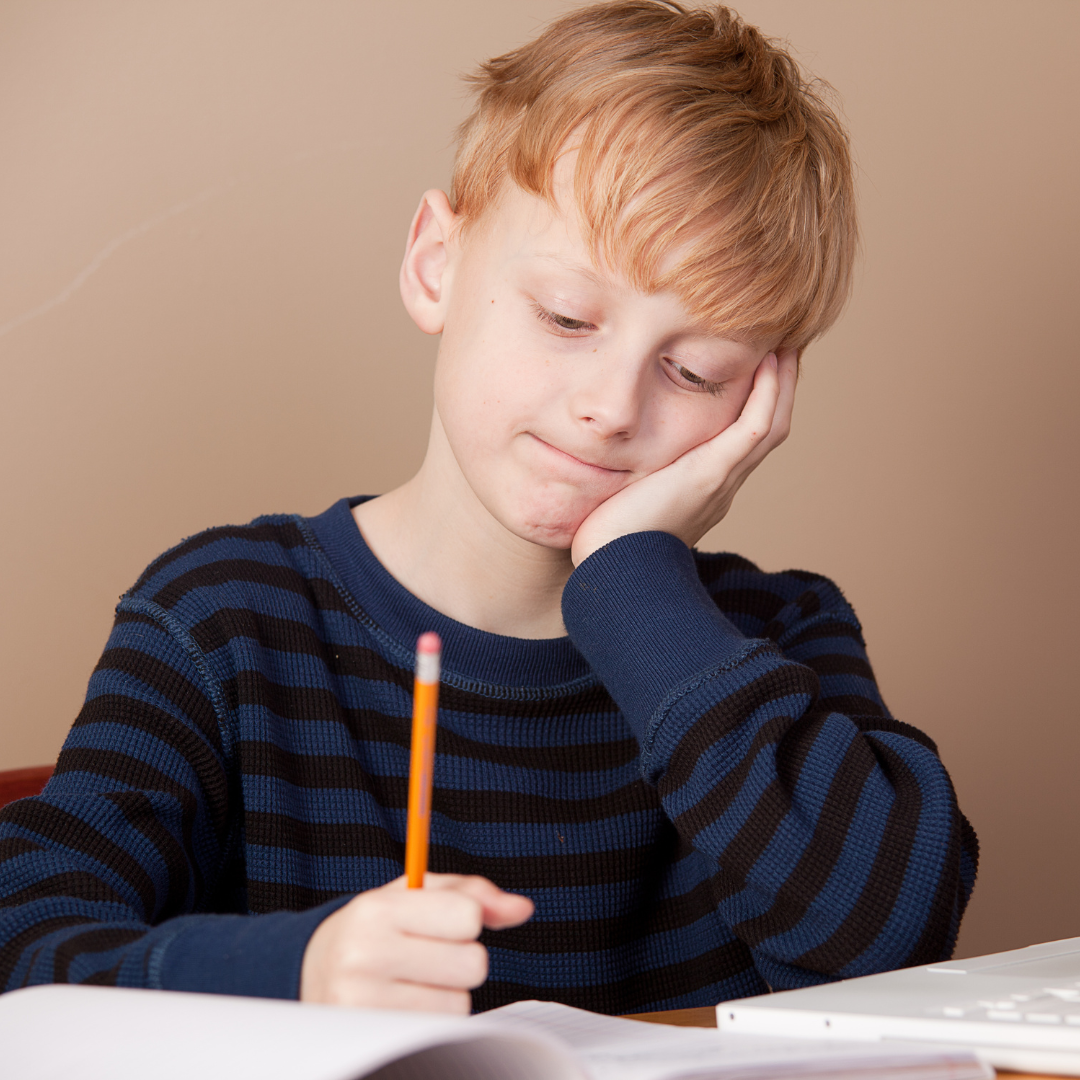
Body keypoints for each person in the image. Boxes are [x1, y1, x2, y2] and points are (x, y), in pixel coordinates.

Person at [0, 0, 977, 1016]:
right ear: (436, 263)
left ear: (759, 404)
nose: (609, 407)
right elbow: (23, 946)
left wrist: (635, 580)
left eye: (693, 370)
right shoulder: (223, 621)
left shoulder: (770, 643)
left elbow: (894, 945)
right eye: (566, 317)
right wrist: (295, 975)